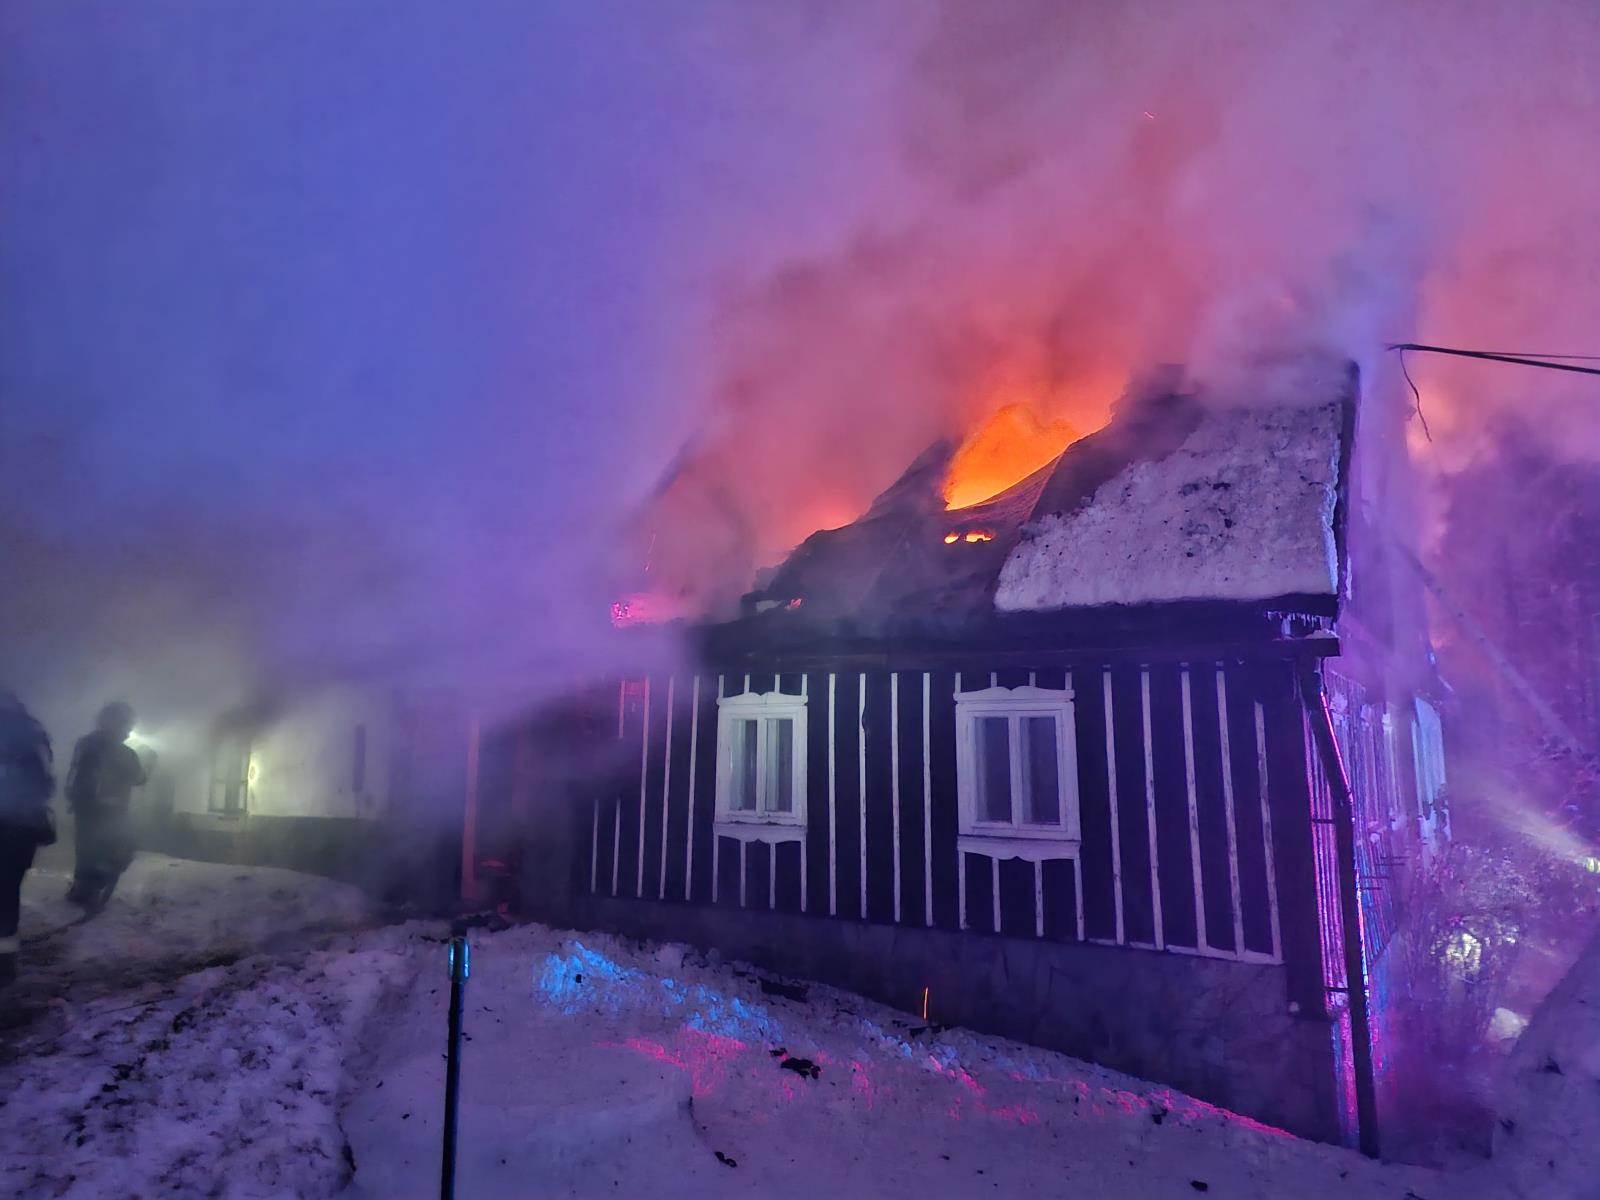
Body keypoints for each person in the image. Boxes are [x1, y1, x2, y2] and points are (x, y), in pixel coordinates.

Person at [65, 701, 145, 914]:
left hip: (107, 810)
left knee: (108, 851)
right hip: (97, 810)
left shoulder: (120, 751)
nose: (128, 730)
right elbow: (80, 776)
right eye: (126, 724)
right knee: (94, 852)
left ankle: (87, 888)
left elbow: (139, 778)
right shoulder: (97, 747)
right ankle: (86, 890)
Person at [0, 689, 55, 988]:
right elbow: (46, 781)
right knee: (6, 893)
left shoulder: (24, 733)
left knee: (4, 891)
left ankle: (4, 961)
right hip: (21, 827)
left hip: (14, 825)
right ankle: (4, 963)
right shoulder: (33, 731)